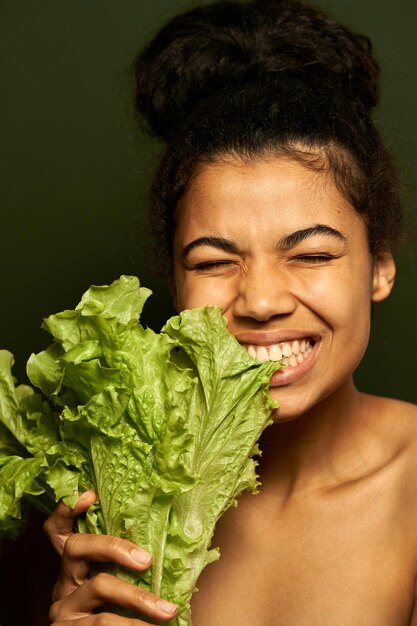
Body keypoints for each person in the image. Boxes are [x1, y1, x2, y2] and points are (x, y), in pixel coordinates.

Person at [44, 0, 417, 624]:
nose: (262, 301)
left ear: (379, 267)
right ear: (175, 282)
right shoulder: (110, 501)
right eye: (214, 263)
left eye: (311, 254)